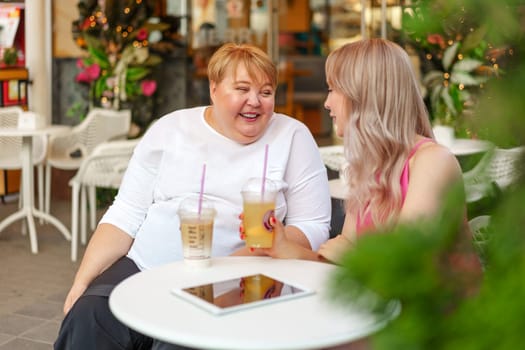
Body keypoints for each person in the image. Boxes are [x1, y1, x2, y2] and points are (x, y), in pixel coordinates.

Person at [54, 43, 331, 350]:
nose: (255, 101)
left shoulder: (292, 136)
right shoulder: (170, 129)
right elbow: (125, 214)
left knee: (180, 343)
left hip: (239, 279)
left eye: (266, 92)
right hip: (147, 268)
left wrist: (272, 243)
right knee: (88, 317)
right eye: (242, 89)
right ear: (214, 89)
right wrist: (82, 282)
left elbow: (313, 224)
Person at [249, 38, 480, 267]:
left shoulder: (432, 161)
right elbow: (342, 264)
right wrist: (285, 247)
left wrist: (351, 255)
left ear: (365, 95)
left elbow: (407, 268)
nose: (327, 103)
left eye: (333, 90)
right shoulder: (370, 166)